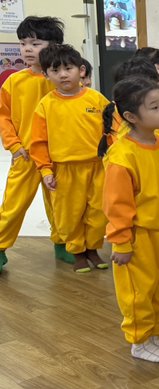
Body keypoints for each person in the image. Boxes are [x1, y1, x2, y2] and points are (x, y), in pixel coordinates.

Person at [99, 76, 159, 364]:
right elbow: (117, 206)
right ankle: (140, 341)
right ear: (131, 116)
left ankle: (154, 335)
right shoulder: (122, 156)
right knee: (139, 292)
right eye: (154, 107)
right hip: (139, 238)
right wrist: (121, 243)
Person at [29, 44, 110, 273]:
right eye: (55, 71)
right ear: (46, 75)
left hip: (97, 167)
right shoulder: (46, 105)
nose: (63, 74)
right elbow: (39, 142)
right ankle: (77, 251)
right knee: (69, 215)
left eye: (68, 68)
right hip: (64, 170)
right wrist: (45, 170)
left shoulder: (97, 99)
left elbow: (112, 131)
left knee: (98, 212)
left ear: (81, 71)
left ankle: (93, 249)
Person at [0, 16, 69, 272]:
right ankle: (0, 247)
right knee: (13, 204)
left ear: (54, 46)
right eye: (23, 43)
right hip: (26, 155)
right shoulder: (14, 81)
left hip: (58, 155)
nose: (27, 49)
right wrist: (14, 145)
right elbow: (3, 117)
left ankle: (63, 243)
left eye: (35, 43)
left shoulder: (63, 81)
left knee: (61, 203)